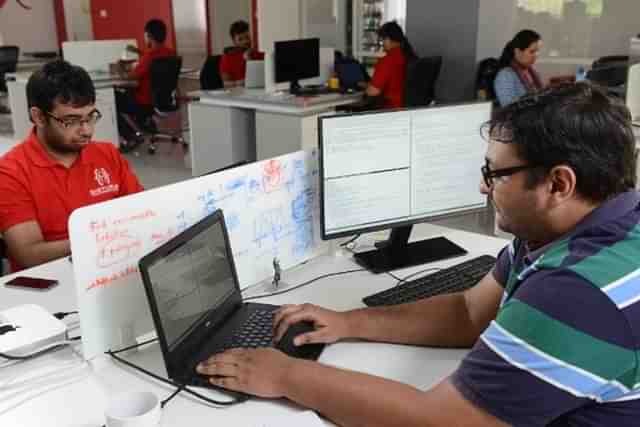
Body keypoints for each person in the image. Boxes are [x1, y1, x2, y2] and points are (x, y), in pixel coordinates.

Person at [196, 83, 640, 426]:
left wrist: (287, 377)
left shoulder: (579, 291)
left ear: (558, 184)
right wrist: (349, 323)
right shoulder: (566, 227)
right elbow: (470, 312)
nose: (484, 188)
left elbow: (440, 421)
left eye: (497, 174)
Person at [0, 60, 143, 272]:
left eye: (91, 117)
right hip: (51, 282)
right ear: (38, 117)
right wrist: (101, 241)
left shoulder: (107, 154)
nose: (86, 130)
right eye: (71, 121)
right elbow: (28, 253)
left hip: (112, 266)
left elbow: (142, 213)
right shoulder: (11, 172)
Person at [115, 19, 175, 149]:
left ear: (148, 36)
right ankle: (145, 122)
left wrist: (119, 68)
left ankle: (131, 136)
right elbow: (153, 57)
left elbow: (129, 79)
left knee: (114, 98)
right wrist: (139, 53)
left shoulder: (149, 57)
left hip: (144, 102)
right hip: (165, 100)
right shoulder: (170, 53)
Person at [366, 21, 417, 109]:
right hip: (408, 110)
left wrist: (367, 88)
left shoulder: (388, 60)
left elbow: (373, 92)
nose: (382, 44)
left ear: (389, 39)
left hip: (390, 110)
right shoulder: (409, 55)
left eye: (383, 40)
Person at [494, 29, 544, 107]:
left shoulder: (535, 73)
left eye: (538, 51)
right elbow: (509, 109)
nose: (536, 56)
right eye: (532, 52)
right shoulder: (505, 76)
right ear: (517, 52)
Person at [219, 20, 264, 88]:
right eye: (240, 39)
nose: (245, 41)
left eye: (247, 37)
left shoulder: (258, 53)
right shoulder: (227, 57)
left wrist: (250, 60)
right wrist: (244, 82)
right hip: (238, 95)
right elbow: (227, 85)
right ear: (234, 41)